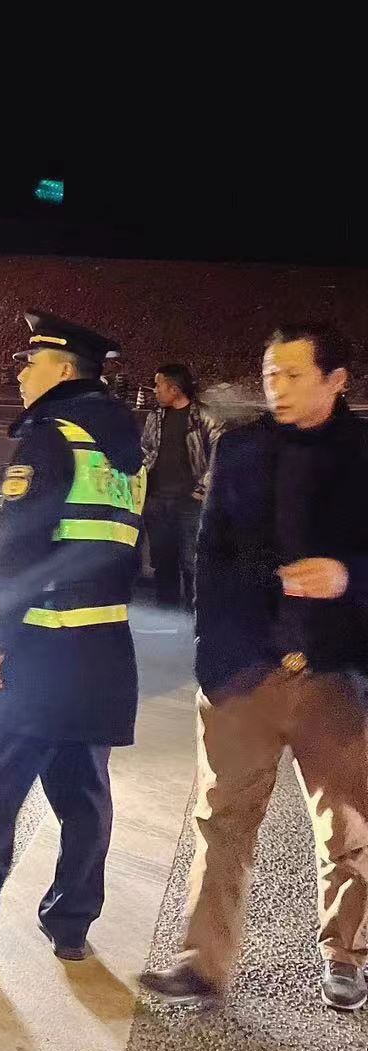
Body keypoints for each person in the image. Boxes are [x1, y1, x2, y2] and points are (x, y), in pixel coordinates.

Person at [141, 323, 368, 1012]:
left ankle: (344, 954)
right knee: (223, 822)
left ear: (337, 380)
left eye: (295, 374)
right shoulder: (241, 448)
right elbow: (211, 556)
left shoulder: (363, 454)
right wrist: (214, 658)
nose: (278, 388)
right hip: (245, 671)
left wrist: (348, 577)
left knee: (351, 827)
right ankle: (202, 963)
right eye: (271, 375)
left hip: (337, 675)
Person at [0, 312, 145, 964]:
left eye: (30, 362)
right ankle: (72, 925)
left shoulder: (51, 437)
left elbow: (18, 551)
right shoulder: (124, 448)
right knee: (84, 797)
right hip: (102, 649)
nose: (22, 373)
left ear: (62, 368)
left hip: (36, 647)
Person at [140, 363, 221, 607]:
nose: (155, 390)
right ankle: (166, 611)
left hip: (190, 502)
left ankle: (195, 613)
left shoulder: (204, 417)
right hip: (157, 500)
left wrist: (202, 490)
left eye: (158, 385)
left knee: (191, 561)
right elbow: (146, 450)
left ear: (174, 389)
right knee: (163, 561)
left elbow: (219, 455)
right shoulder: (155, 417)